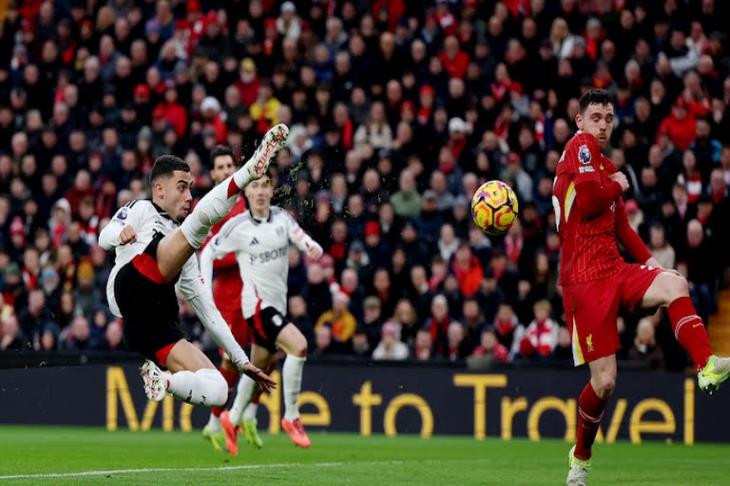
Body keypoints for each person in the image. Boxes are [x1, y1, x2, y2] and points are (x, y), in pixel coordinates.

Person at [552, 89, 729, 486]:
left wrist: (649, 262)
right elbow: (593, 200)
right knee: (605, 382)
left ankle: (705, 366)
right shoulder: (579, 148)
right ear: (579, 121)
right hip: (583, 280)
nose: (602, 125)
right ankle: (580, 460)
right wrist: (617, 184)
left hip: (615, 269)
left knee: (673, 283)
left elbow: (620, 228)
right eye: (595, 117)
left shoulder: (605, 164)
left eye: (609, 118)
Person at [99, 124, 289, 410]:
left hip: (150, 327)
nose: (189, 196)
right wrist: (120, 233)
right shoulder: (142, 209)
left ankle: (164, 382)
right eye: (182, 187)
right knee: (197, 225)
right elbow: (104, 237)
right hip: (129, 287)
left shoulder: (185, 255)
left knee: (219, 389)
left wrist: (241, 361)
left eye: (190, 188)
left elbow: (207, 311)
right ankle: (251, 169)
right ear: (159, 189)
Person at [200, 167, 324, 454]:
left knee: (259, 370)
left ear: (271, 190)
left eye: (265, 186)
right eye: (254, 187)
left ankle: (231, 419)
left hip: (275, 306)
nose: (259, 192)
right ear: (246, 193)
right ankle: (291, 416)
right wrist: (205, 289)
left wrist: (311, 247)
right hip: (256, 307)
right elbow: (208, 252)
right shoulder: (237, 227)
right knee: (299, 346)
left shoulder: (281, 218)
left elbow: (300, 236)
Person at [199, 145, 263, 452]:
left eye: (229, 166)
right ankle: (216, 421)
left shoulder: (247, 201)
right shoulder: (211, 208)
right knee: (234, 362)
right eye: (220, 168)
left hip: (256, 289)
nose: (225, 171)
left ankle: (245, 414)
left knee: (269, 351)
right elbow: (209, 252)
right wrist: (241, 250)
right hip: (228, 296)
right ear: (212, 174)